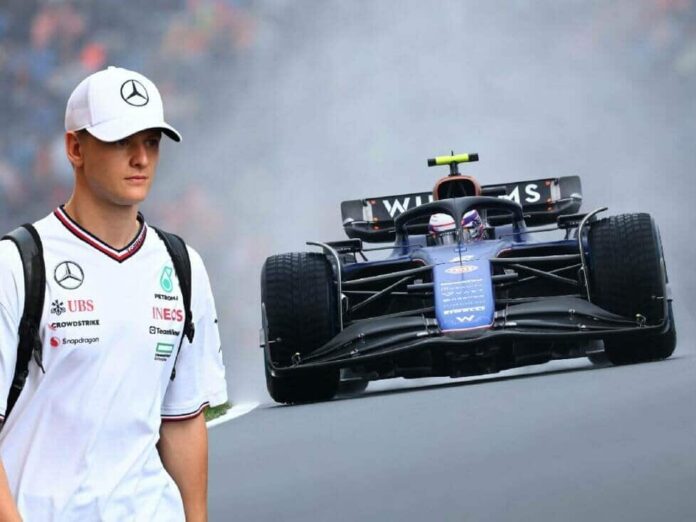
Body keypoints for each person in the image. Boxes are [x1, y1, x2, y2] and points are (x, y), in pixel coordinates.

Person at [0, 66, 227, 521]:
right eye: (122, 141)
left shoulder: (182, 265)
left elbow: (182, 420)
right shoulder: (16, 265)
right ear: (75, 148)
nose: (141, 158)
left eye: (152, 142)